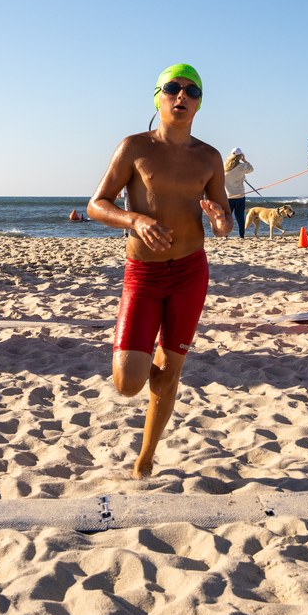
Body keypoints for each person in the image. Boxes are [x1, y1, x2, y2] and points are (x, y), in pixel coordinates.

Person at [88, 64, 232, 478]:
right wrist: (135, 220)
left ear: (200, 102)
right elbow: (98, 203)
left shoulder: (208, 157)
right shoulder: (134, 147)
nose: (181, 96)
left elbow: (223, 222)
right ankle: (147, 363)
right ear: (158, 97)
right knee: (129, 382)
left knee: (169, 376)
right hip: (144, 275)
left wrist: (221, 222)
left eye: (192, 91)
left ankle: (146, 457)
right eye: (172, 88)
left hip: (190, 273)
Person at [224, 148, 254, 238]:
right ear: (240, 156)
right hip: (240, 195)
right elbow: (251, 169)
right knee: (240, 217)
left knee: (228, 216)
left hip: (228, 196)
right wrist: (245, 161)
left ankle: (225, 235)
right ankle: (241, 235)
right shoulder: (242, 166)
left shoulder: (225, 165)